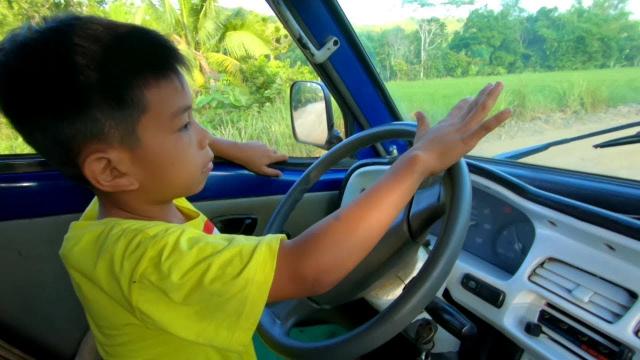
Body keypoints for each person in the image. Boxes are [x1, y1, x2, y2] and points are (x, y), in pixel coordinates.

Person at [0, 15, 511, 359]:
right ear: (111, 171)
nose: (200, 137)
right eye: (184, 126)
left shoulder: (114, 214)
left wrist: (224, 147)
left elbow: (158, 158)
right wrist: (418, 163)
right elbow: (308, 269)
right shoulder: (155, 262)